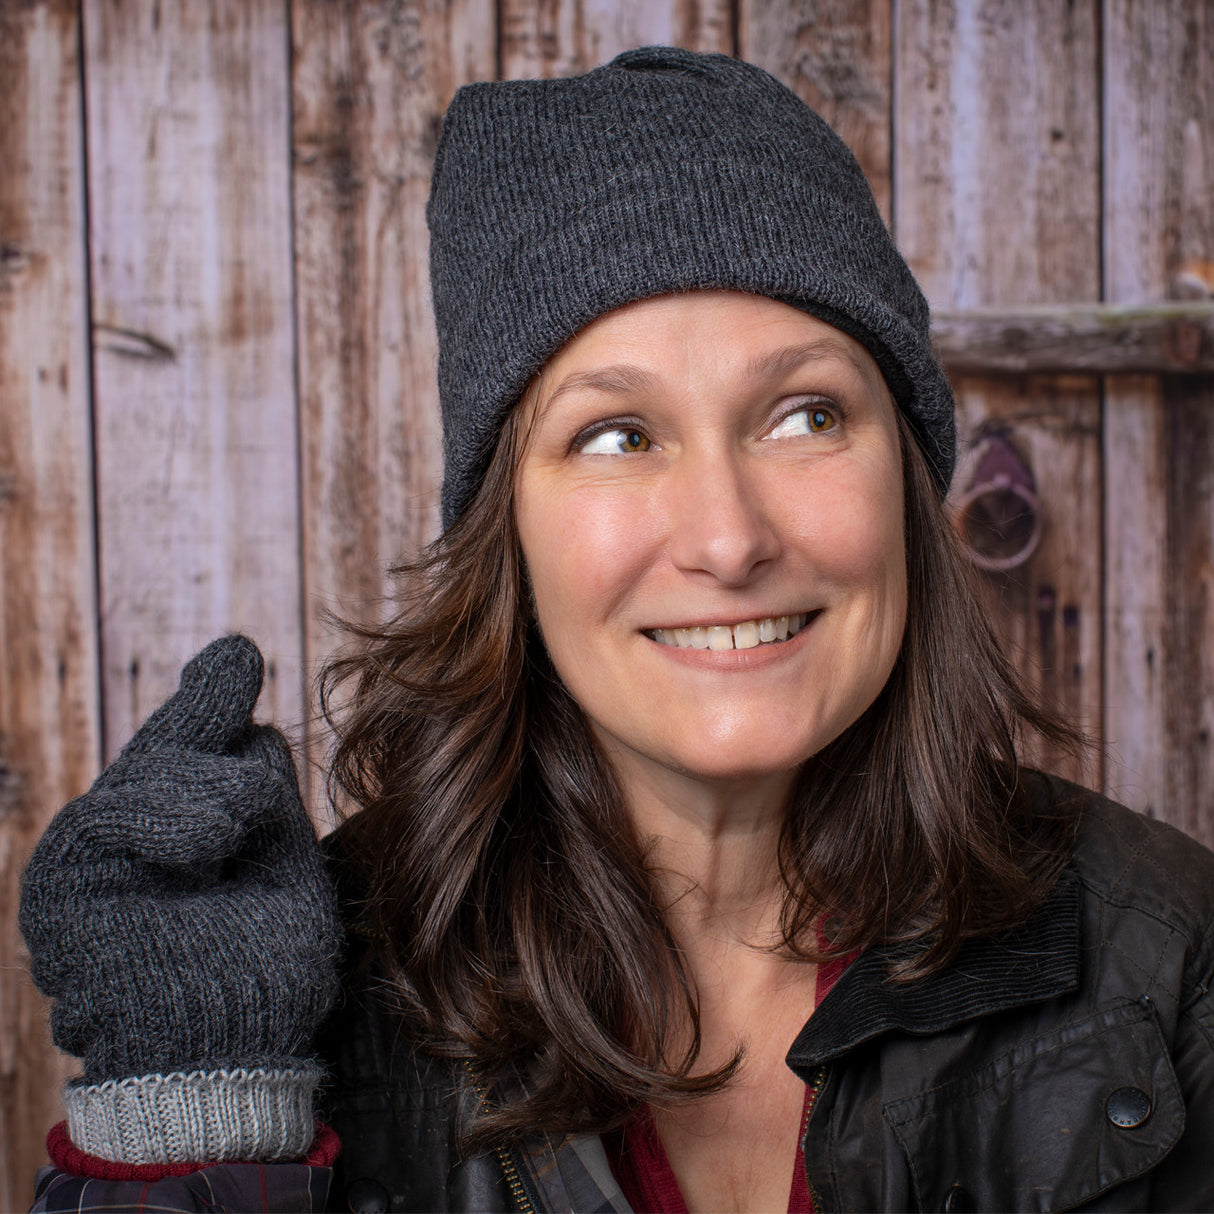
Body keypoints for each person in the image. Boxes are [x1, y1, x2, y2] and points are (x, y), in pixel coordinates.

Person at [19, 45, 1214, 1214]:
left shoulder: (1164, 955)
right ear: (509, 532)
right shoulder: (305, 996)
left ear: (903, 477)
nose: (728, 536)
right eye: (614, 435)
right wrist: (197, 1132)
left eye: (803, 414)